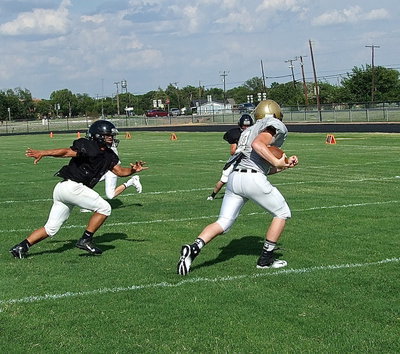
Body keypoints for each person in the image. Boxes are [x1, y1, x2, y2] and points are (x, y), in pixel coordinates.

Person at [177, 100, 298, 275]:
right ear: (275, 114)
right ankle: (265, 260)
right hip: (252, 178)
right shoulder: (273, 125)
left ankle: (194, 248)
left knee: (223, 222)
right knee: (282, 213)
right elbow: (258, 145)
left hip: (235, 178)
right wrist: (277, 160)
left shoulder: (247, 131)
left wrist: (283, 166)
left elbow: (262, 166)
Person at [9, 120, 148, 259]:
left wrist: (133, 170)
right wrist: (43, 153)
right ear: (98, 136)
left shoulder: (109, 154)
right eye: (108, 135)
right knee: (105, 208)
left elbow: (119, 171)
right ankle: (85, 239)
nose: (111, 138)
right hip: (72, 187)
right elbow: (66, 152)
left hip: (63, 189)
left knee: (51, 228)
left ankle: (21, 247)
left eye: (111, 135)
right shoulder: (88, 146)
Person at [80, 139, 142, 212]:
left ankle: (131, 182)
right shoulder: (101, 146)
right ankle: (88, 205)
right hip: (103, 169)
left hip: (111, 170)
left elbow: (116, 166)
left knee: (110, 195)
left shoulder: (109, 150)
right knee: (87, 181)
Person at [207, 114, 254, 200]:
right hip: (236, 160)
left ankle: (251, 194)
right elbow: (232, 152)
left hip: (248, 160)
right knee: (224, 179)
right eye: (244, 125)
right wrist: (241, 149)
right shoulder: (235, 134)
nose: (246, 128)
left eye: (248, 126)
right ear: (240, 125)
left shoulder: (253, 133)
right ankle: (212, 196)